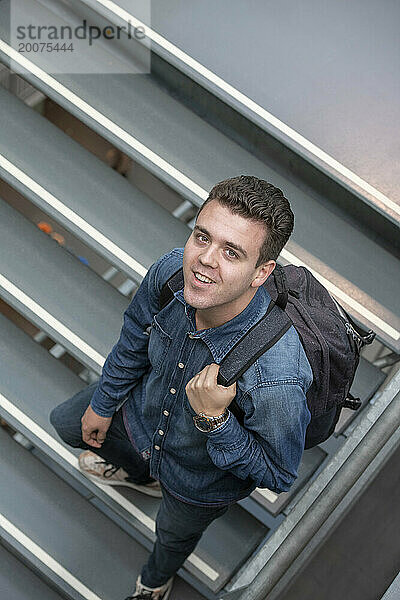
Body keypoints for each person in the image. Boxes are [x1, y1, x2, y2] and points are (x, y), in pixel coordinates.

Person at [50, 175, 313, 600]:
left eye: (231, 252)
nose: (205, 260)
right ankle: (142, 474)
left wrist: (215, 420)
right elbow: (136, 330)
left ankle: (154, 582)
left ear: (261, 272)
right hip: (142, 417)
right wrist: (104, 402)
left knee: (170, 538)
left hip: (198, 481)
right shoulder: (173, 271)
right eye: (202, 237)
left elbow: (278, 472)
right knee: (66, 423)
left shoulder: (275, 377)